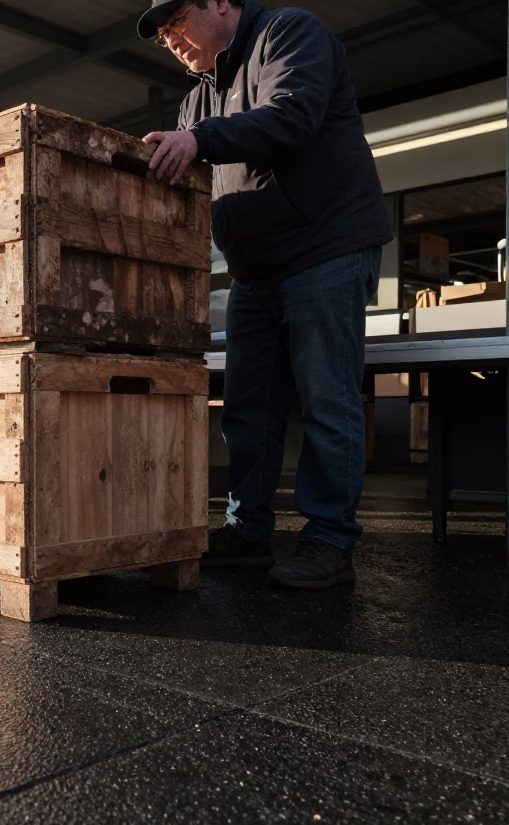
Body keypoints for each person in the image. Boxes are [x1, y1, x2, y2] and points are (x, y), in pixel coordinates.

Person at [137, 0, 392, 589]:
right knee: (249, 408)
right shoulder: (197, 97)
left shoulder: (288, 34)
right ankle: (247, 530)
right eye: (162, 35)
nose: (171, 39)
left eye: (177, 22)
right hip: (255, 271)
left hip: (325, 248)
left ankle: (329, 538)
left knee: (327, 400)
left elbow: (292, 117)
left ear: (221, 3)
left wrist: (197, 140)